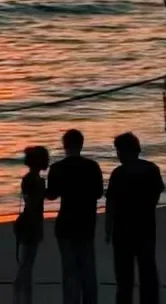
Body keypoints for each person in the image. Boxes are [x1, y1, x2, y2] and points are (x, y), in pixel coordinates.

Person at [45, 129, 104, 304]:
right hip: (86, 222)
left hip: (66, 224)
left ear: (65, 146)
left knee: (69, 270)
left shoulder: (57, 168)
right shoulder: (92, 166)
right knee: (87, 270)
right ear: (81, 144)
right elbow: (98, 193)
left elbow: (52, 195)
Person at [105, 132, 164, 304]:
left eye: (118, 151)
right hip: (146, 227)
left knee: (124, 277)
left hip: (123, 230)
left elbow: (111, 204)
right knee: (148, 272)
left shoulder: (119, 173)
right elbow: (156, 195)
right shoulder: (152, 169)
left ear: (123, 152)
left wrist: (108, 228)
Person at [13, 145, 49, 304]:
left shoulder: (27, 179)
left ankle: (23, 293)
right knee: (28, 261)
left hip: (28, 220)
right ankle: (22, 292)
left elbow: (29, 201)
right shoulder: (37, 181)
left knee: (27, 260)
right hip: (33, 223)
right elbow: (35, 204)